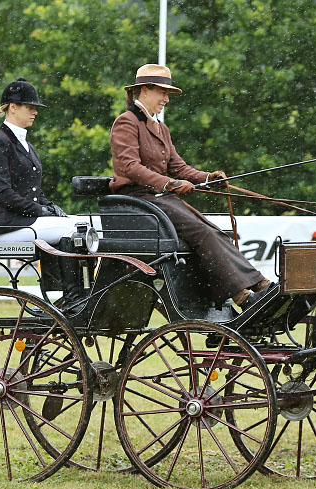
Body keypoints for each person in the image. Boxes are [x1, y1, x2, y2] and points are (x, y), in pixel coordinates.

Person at [109, 64, 275, 310]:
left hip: (160, 199)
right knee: (203, 233)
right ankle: (242, 296)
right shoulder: (127, 122)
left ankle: (259, 285)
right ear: (144, 90)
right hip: (138, 200)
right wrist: (170, 184)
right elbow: (130, 166)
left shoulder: (160, 128)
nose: (166, 99)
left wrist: (207, 177)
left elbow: (179, 167)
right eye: (162, 93)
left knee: (215, 231)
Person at [0, 77, 85, 306]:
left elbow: (32, 192)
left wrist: (49, 207)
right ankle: (72, 297)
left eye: (35, 108)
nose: (35, 112)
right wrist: (40, 211)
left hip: (24, 221)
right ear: (13, 107)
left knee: (81, 223)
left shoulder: (27, 145)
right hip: (5, 225)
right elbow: (2, 193)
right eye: (30, 107)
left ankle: (75, 293)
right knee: (71, 228)